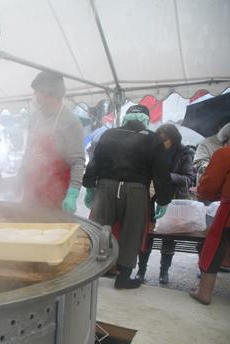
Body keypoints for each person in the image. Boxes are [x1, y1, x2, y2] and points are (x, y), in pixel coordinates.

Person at [83, 105, 173, 289]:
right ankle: (123, 278)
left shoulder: (108, 134)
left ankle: (89, 275)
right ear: (146, 120)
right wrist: (163, 200)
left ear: (126, 118)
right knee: (132, 233)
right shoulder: (153, 139)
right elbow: (161, 172)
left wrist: (89, 186)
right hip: (136, 191)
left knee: (99, 230)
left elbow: (94, 163)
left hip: (106, 187)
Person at [137, 124, 196, 284]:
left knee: (169, 237)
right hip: (150, 198)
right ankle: (141, 270)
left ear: (173, 139)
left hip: (172, 200)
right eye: (159, 138)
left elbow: (189, 179)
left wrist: (167, 176)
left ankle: (164, 272)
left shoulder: (184, 153)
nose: (161, 142)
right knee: (146, 234)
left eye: (165, 139)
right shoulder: (152, 150)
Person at [20, 71, 85, 213]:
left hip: (56, 192)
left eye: (37, 92)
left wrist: (72, 193)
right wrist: (21, 173)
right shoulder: (35, 118)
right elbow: (29, 151)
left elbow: (78, 162)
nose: (35, 96)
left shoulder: (70, 122)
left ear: (48, 94)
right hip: (32, 189)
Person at [191, 144, 230, 305]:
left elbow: (209, 186)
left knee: (214, 247)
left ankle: (204, 293)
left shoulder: (225, 154)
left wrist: (202, 192)